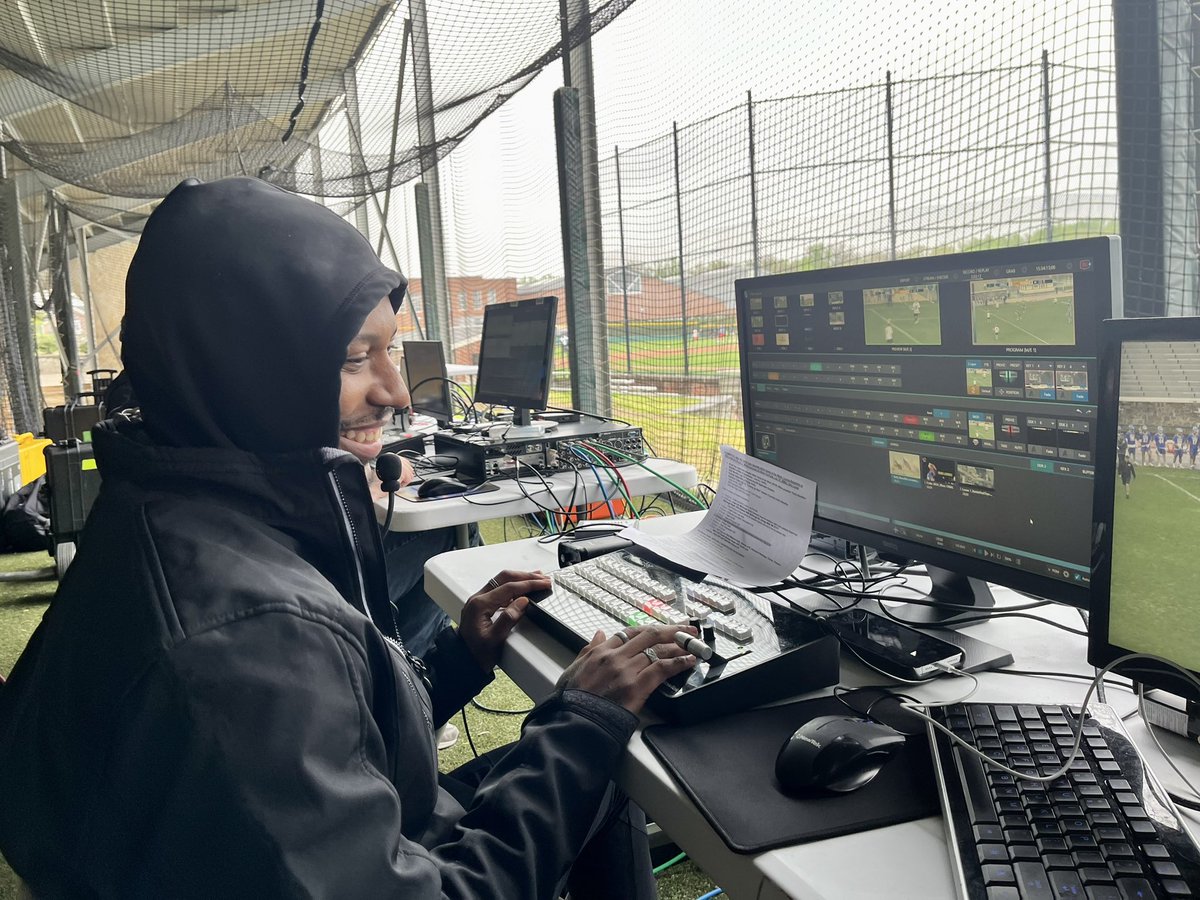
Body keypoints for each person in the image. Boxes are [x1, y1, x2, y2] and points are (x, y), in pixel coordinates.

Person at [0, 177, 698, 898]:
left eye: (389, 352)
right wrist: (581, 720)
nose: (396, 393)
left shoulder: (159, 501)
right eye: (353, 358)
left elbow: (329, 733)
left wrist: (457, 660)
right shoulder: (245, 638)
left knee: (591, 762)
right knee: (598, 756)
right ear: (247, 368)